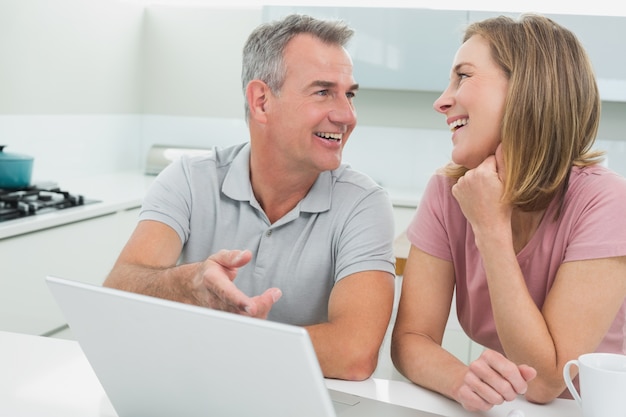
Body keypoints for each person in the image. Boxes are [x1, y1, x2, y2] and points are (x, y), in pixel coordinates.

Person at [103, 14, 396, 381]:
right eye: (323, 92)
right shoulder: (189, 179)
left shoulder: (363, 204)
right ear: (261, 102)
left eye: (349, 94)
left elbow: (353, 354)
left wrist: (227, 336)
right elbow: (117, 291)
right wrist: (189, 283)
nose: (347, 115)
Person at [390, 13, 626, 411]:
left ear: (527, 90)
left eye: (463, 76)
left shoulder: (606, 201)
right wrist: (463, 381)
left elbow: (547, 380)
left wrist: (490, 227)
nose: (441, 100)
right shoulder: (447, 192)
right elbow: (411, 338)